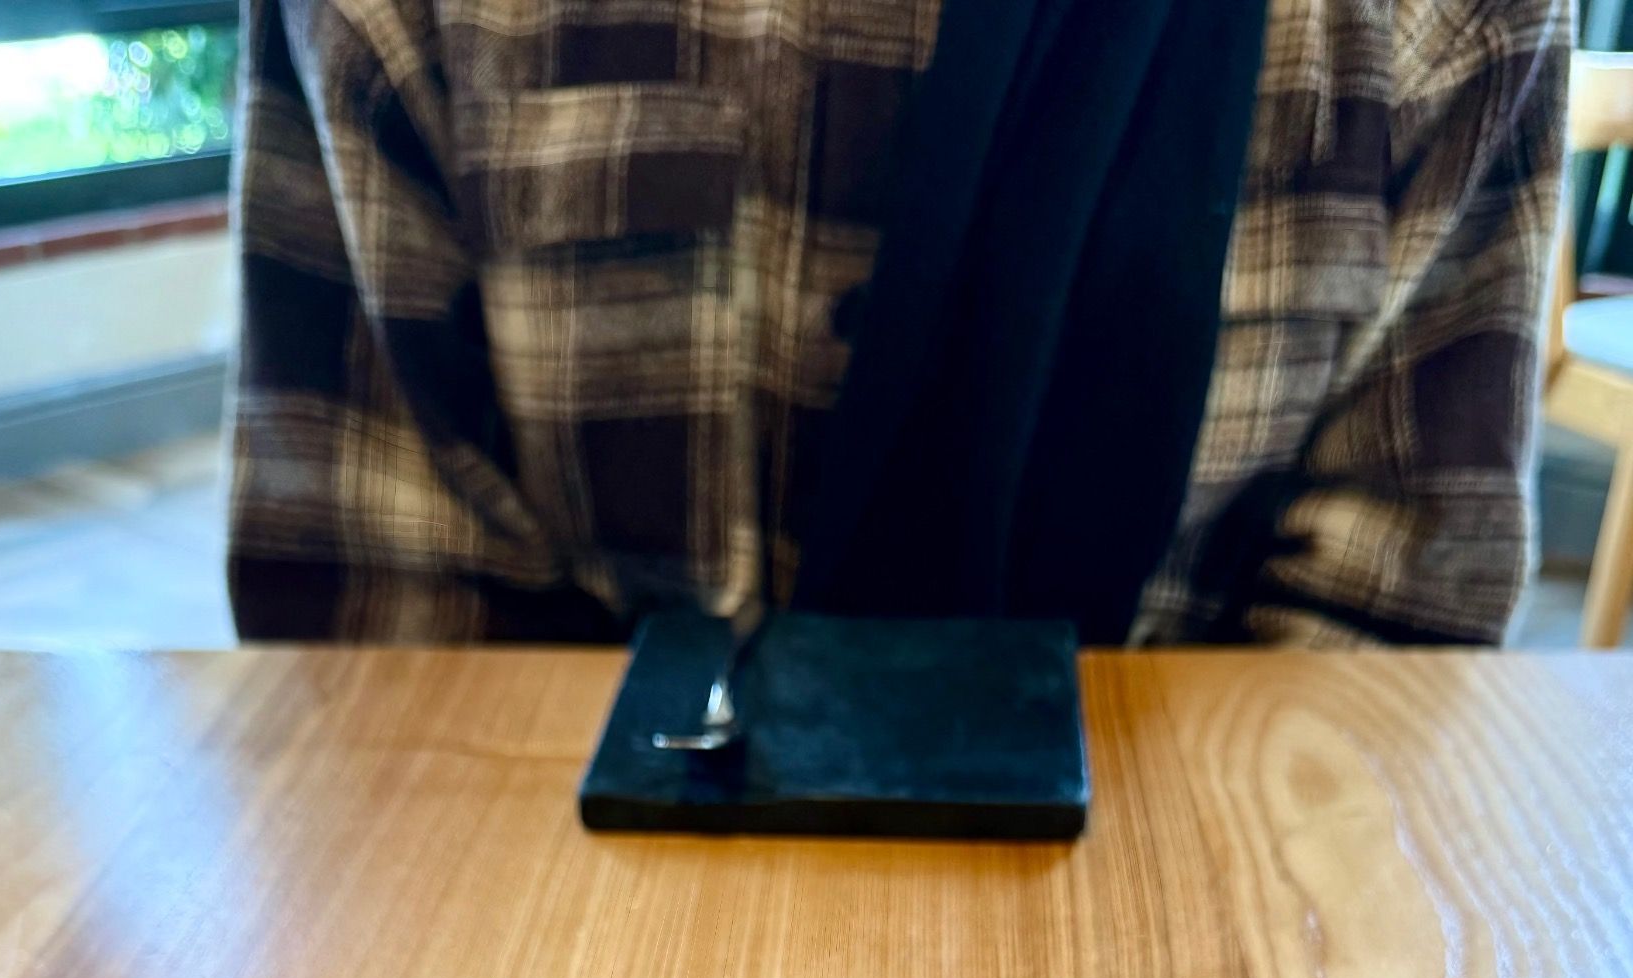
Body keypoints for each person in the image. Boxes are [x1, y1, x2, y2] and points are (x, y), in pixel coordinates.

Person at [229, 0, 1567, 648]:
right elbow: (371, 620)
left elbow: (1389, 642)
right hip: (567, 905)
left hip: (1180, 913)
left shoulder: (1447, 20)